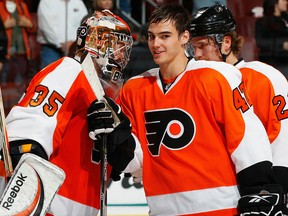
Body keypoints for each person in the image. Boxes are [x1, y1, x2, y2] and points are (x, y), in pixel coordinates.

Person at [87, 3, 285, 215]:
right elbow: (136, 162)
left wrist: (259, 190)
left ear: (184, 37)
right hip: (162, 209)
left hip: (221, 208)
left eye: (165, 36)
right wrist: (117, 137)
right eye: (152, 36)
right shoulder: (135, 88)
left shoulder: (216, 76)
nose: (156, 44)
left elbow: (245, 138)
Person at [5, 10, 134, 215]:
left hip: (86, 208)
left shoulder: (110, 97)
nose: (120, 54)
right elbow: (27, 129)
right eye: (115, 44)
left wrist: (123, 142)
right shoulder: (69, 70)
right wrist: (25, 196)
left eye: (124, 48)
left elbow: (131, 164)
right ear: (93, 40)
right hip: (50, 205)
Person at [189, 4, 288, 214]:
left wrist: (275, 191)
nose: (195, 55)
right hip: (213, 195)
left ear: (226, 42)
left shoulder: (262, 77)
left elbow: (282, 140)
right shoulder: (195, 83)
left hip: (256, 192)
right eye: (192, 47)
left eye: (202, 45)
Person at [37, 0, 88, 69]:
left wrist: (74, 44)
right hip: (52, 49)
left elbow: (85, 24)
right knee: (51, 77)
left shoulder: (78, 2)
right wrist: (61, 44)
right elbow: (46, 27)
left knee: (73, 77)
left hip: (75, 49)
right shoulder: (46, 2)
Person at [0, 0, 36, 85]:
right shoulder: (1, 6)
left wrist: (28, 24)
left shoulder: (21, 6)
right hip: (6, 51)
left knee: (20, 80)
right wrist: (5, 26)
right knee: (5, 79)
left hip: (21, 51)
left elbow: (32, 27)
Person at [255, 0, 288, 78]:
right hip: (274, 58)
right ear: (274, 3)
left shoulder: (285, 19)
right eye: (283, 0)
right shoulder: (262, 22)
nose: (286, 2)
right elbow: (260, 42)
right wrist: (282, 45)